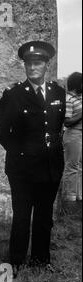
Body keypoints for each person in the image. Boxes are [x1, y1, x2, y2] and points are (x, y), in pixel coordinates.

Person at [0, 41, 66, 277]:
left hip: (50, 166)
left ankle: (40, 258)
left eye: (38, 63)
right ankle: (16, 260)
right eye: (29, 63)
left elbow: (56, 128)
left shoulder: (58, 92)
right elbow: (3, 132)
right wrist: (21, 154)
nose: (32, 67)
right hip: (22, 169)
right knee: (22, 215)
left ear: (47, 64)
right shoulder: (14, 94)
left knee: (45, 216)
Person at [62, 72, 82, 210]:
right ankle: (69, 199)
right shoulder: (68, 99)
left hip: (81, 134)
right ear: (77, 84)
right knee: (72, 167)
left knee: (80, 167)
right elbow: (67, 122)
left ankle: (79, 196)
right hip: (73, 134)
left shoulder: (80, 97)